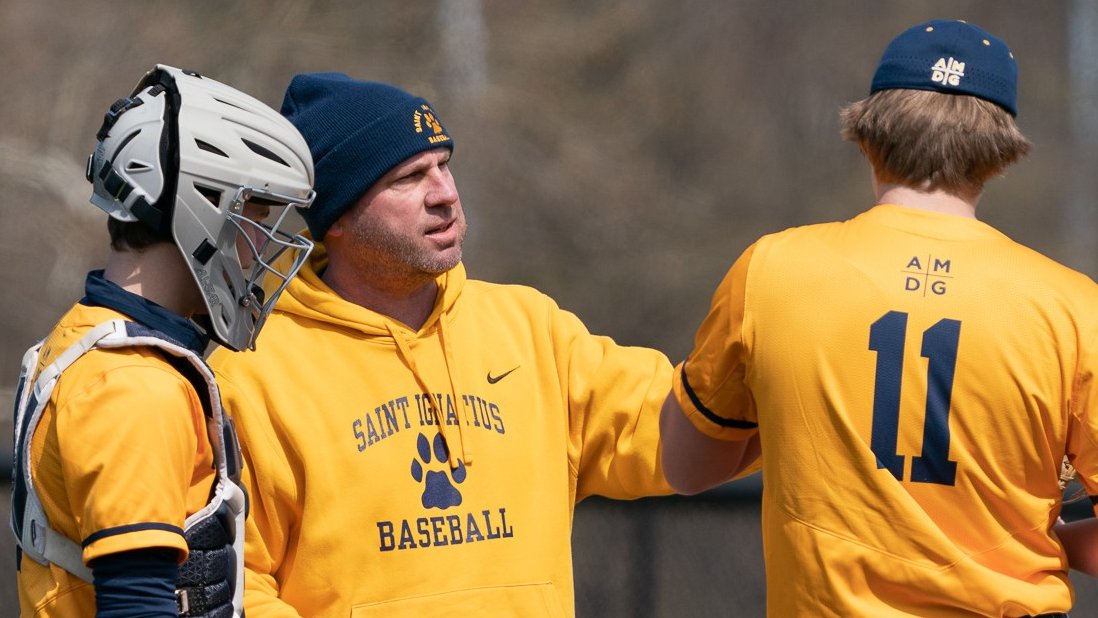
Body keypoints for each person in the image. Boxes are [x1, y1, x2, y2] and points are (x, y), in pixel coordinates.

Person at [659, 19, 1098, 617]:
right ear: (1000, 151)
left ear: (867, 132)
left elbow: (685, 468)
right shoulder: (1072, 308)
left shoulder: (773, 269)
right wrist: (1054, 536)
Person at [206, 73, 674, 617]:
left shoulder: (531, 328)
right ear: (335, 218)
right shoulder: (256, 373)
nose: (446, 194)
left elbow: (677, 422)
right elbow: (238, 584)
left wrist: (770, 348)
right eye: (410, 177)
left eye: (444, 165)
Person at [11, 64, 315, 616]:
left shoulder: (84, 338)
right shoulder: (134, 387)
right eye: (254, 219)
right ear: (204, 208)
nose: (257, 252)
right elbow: (137, 602)